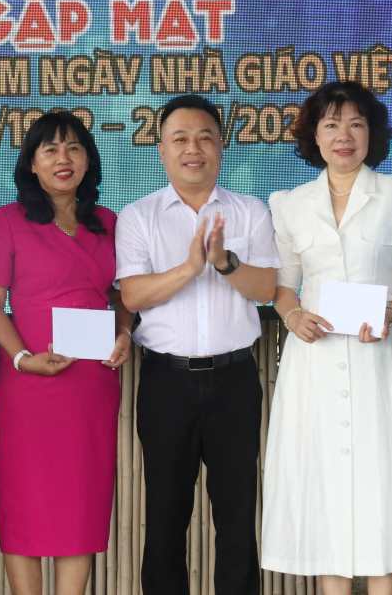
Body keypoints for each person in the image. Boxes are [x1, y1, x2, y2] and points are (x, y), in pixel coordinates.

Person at [262, 80, 392, 594]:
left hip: (381, 358)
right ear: (313, 135)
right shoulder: (289, 205)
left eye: (356, 124)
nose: (344, 136)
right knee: (324, 486)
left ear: (372, 134)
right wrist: (292, 317)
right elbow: (282, 286)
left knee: (388, 480)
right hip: (314, 363)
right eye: (332, 124)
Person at [116, 94, 279, 595]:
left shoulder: (250, 211)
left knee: (236, 516)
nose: (194, 149)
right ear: (161, 150)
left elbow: (268, 289)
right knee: (165, 516)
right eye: (180, 139)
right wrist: (189, 268)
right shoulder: (139, 216)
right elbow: (132, 293)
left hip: (234, 380)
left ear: (221, 147)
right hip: (167, 381)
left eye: (205, 137)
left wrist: (224, 262)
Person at [0, 111, 132, 595]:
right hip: (29, 387)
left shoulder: (111, 223)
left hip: (90, 388)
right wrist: (22, 358)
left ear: (89, 159)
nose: (63, 159)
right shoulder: (7, 220)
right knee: (24, 506)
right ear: (32, 164)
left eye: (73, 148)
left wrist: (125, 332)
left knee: (81, 507)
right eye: (50, 150)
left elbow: (122, 298)